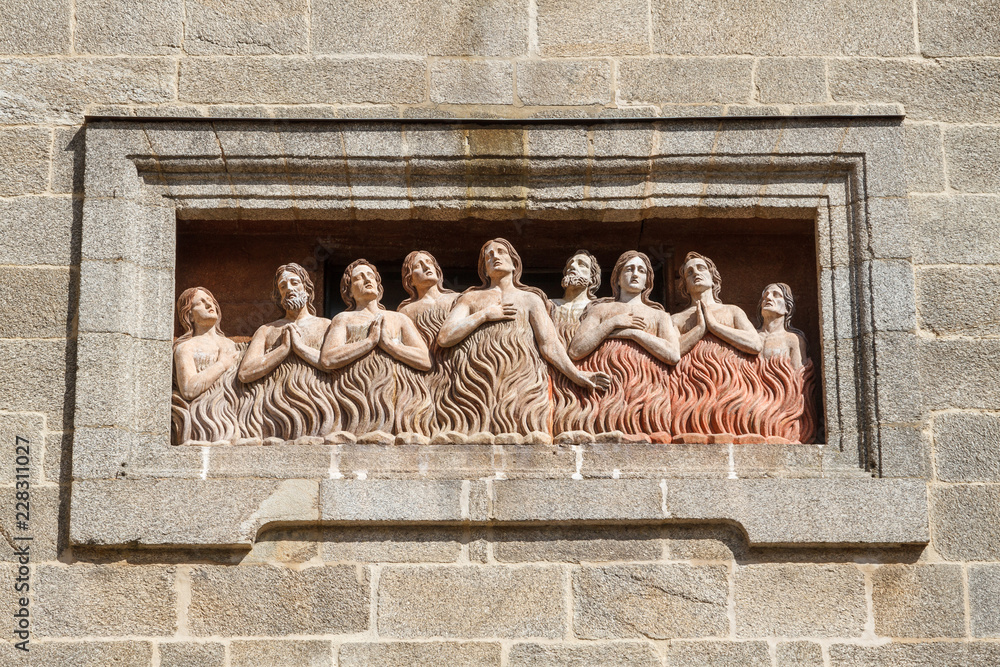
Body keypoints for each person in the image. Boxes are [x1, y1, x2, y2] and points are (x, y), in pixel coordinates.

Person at [437, 238, 610, 436]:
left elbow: (549, 345)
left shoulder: (530, 299)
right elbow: (445, 337)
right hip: (475, 383)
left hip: (521, 385)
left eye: (501, 252)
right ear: (484, 270)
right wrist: (484, 315)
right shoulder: (471, 298)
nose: (495, 257)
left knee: (524, 435)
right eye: (488, 256)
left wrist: (578, 375)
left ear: (514, 264)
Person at [565, 251, 678, 438]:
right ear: (617, 278)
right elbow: (576, 350)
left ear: (647, 281)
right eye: (629, 269)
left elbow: (673, 355)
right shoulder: (600, 309)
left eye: (641, 270)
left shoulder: (659, 315)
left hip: (645, 391)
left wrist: (633, 334)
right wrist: (613, 322)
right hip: (604, 390)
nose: (635, 274)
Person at [321, 259, 432, 435]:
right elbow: (328, 358)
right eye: (359, 278)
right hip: (355, 401)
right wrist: (369, 342)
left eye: (370, 276)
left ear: (379, 286)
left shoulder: (399, 318)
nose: (367, 280)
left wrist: (388, 345)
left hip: (400, 402)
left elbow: (425, 360)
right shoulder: (343, 319)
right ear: (348, 291)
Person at [236, 263, 334, 440]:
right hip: (274, 413)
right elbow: (245, 372)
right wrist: (283, 350)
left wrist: (299, 348)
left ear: (307, 287)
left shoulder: (326, 326)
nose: (289, 288)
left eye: (294, 282)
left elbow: (332, 365)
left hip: (320, 406)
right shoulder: (266, 330)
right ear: (278, 295)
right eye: (283, 286)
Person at [398, 250, 460, 434]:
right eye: (418, 265)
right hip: (424, 379)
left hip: (457, 373)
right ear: (410, 280)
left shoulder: (458, 300)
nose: (426, 267)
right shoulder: (406, 312)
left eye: (429, 263)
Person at [171, 287, 240, 444]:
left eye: (211, 301)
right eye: (201, 302)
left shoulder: (230, 345)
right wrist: (222, 364)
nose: (210, 305)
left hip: (234, 417)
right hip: (204, 419)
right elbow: (188, 389)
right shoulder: (187, 347)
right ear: (189, 315)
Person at [671, 252, 762, 356]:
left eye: (701, 268)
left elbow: (755, 344)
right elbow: (672, 352)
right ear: (685, 287)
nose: (696, 273)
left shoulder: (732, 311)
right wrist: (700, 329)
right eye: (689, 272)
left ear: (713, 278)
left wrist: (715, 327)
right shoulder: (676, 319)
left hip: (730, 369)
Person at [551, 249, 601, 337]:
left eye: (582, 264)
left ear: (592, 278)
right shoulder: (549, 305)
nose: (572, 266)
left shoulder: (598, 308)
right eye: (570, 264)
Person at [757, 282, 807, 369]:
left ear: (787, 307)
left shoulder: (793, 339)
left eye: (776, 295)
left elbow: (797, 378)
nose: (768, 298)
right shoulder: (752, 336)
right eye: (765, 296)